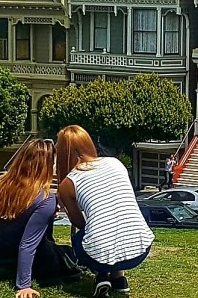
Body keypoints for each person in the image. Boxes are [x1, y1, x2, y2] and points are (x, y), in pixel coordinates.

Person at [57, 125, 154, 298]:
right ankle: (119, 279)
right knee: (114, 227)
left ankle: (102, 275)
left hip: (97, 253)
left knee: (83, 237)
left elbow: (78, 222)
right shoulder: (115, 163)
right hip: (141, 247)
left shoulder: (68, 183)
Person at [0, 139, 81, 298]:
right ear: (47, 165)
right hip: (27, 261)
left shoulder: (1, 183)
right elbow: (27, 243)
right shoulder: (46, 198)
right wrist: (24, 285)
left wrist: (47, 218)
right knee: (68, 254)